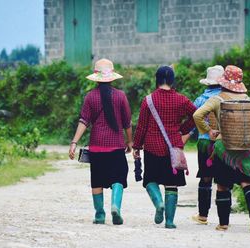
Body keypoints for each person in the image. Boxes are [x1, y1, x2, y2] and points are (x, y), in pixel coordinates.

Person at [193, 65, 250, 233]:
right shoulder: (247, 99)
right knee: (247, 183)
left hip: (224, 149)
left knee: (223, 186)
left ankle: (223, 223)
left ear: (223, 82)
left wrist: (209, 131)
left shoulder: (218, 99)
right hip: (245, 148)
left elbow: (197, 115)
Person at [69, 59, 133, 225]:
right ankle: (115, 206)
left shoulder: (90, 97)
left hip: (97, 146)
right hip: (116, 145)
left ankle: (99, 214)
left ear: (96, 77)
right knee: (118, 177)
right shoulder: (120, 96)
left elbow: (84, 121)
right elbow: (127, 123)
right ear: (112, 77)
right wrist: (130, 142)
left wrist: (74, 142)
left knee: (97, 179)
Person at [132, 66, 197, 229]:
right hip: (173, 146)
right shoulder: (181, 99)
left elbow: (141, 127)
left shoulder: (148, 100)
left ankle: (159, 203)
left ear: (157, 79)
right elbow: (196, 115)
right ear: (172, 80)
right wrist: (182, 129)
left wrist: (137, 146)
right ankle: (169, 221)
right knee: (171, 184)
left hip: (152, 145)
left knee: (150, 180)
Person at [189, 65, 224, 225]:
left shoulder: (200, 100)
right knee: (223, 180)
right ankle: (224, 218)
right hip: (223, 142)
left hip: (204, 142)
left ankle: (203, 216)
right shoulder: (226, 98)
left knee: (205, 177)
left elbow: (193, 120)